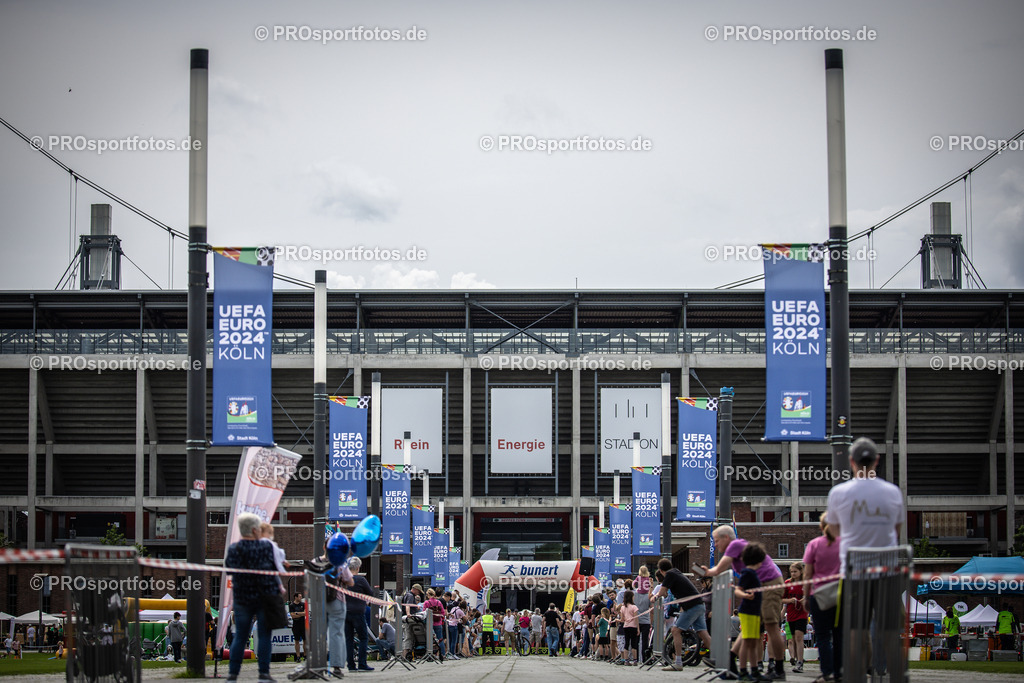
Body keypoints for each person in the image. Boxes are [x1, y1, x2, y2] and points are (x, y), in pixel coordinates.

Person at [827, 437, 904, 679]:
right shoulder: (893, 492)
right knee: (889, 627)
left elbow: (835, 530)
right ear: (876, 460)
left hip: (854, 569)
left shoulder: (839, 492)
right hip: (886, 570)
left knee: (856, 629)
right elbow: (897, 529)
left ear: (851, 461)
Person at [702, 526, 786, 679]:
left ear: (726, 538)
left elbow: (719, 569)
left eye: (716, 540)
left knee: (771, 626)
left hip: (769, 584)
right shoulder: (737, 549)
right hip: (760, 586)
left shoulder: (735, 545)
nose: (715, 545)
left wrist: (707, 572)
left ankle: (779, 669)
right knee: (750, 629)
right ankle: (731, 657)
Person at [225, 512, 284, 683]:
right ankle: (264, 674)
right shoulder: (265, 547)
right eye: (258, 528)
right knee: (265, 635)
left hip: (242, 598)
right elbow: (274, 568)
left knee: (240, 636)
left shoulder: (234, 549)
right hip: (265, 596)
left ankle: (233, 674)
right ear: (253, 530)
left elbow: (229, 570)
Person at [652, 557, 711, 672]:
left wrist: (655, 597)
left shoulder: (669, 575)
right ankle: (718, 662)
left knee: (675, 631)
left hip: (692, 606)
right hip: (699, 605)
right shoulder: (676, 572)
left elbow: (662, 592)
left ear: (661, 570)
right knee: (703, 633)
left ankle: (678, 662)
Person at [803, 512, 842, 683]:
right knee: (839, 635)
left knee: (822, 636)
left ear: (821, 526)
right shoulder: (846, 544)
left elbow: (808, 573)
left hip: (819, 595)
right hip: (841, 594)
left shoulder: (814, 544)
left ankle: (827, 672)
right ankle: (839, 671)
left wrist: (805, 596)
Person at [317, 538, 354, 678]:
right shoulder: (340, 563)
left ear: (323, 547)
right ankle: (337, 667)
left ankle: (317, 663)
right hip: (337, 600)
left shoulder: (316, 561)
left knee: (318, 633)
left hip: (318, 601)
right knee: (336, 633)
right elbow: (350, 581)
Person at [735, 542, 769, 682]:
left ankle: (754, 670)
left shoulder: (753, 573)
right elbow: (738, 590)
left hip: (754, 612)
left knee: (754, 642)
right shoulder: (747, 572)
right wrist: (745, 596)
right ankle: (743, 671)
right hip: (748, 612)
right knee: (747, 642)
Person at [344, 557, 374, 671]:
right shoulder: (361, 580)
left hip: (345, 612)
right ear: (357, 567)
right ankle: (362, 664)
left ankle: (351, 665)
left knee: (349, 639)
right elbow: (370, 593)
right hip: (358, 612)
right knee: (363, 637)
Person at [782, 562, 808, 673]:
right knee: (792, 638)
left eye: (795, 572)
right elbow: (781, 599)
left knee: (799, 637)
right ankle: (797, 659)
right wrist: (790, 601)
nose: (793, 574)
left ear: (800, 571)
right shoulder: (787, 583)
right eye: (791, 572)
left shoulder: (805, 583)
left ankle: (800, 661)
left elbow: (810, 595)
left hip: (802, 614)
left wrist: (804, 600)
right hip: (791, 614)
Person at [421, 589, 447, 660]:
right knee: (440, 639)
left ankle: (430, 654)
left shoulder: (426, 602)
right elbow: (443, 613)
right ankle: (442, 655)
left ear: (428, 595)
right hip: (438, 623)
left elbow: (424, 613)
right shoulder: (439, 602)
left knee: (429, 639)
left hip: (430, 623)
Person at [618, 590, 640, 665]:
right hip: (633, 626)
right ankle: (635, 660)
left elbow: (622, 619)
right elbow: (636, 618)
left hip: (626, 626)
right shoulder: (634, 607)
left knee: (626, 642)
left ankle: (626, 660)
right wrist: (638, 628)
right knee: (634, 643)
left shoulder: (623, 607)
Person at [288, 593, 306, 662]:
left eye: (301, 597)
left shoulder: (303, 604)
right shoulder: (292, 605)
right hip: (296, 624)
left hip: (303, 624)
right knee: (297, 640)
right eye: (299, 597)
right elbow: (292, 615)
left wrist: (297, 613)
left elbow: (305, 613)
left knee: (305, 640)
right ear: (295, 597)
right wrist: (300, 614)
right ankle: (298, 656)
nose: (300, 598)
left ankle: (305, 655)